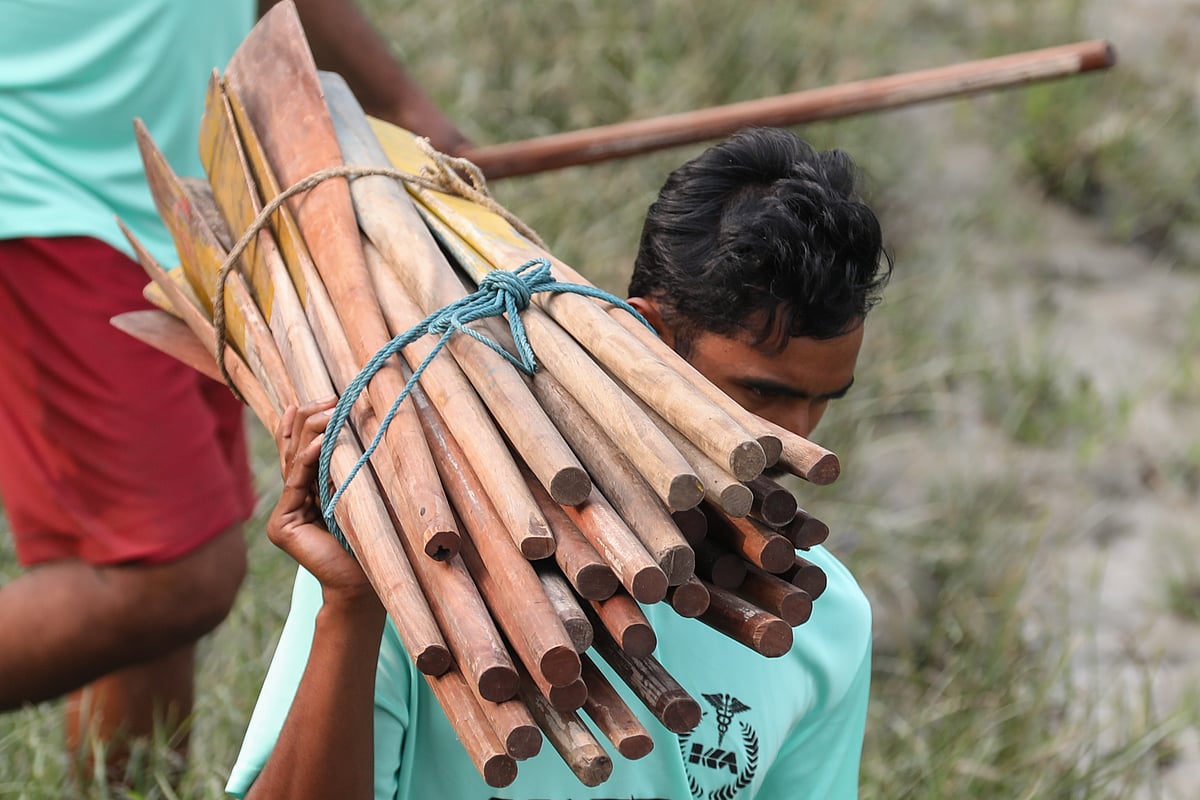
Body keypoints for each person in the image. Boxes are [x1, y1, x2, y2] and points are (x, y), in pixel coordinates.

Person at [226, 127, 893, 799]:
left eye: (821, 403)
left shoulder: (822, 620)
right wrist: (350, 606)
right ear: (643, 340)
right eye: (762, 395)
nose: (798, 442)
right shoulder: (424, 549)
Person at [0, 0, 468, 782]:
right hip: (44, 191)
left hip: (189, 197)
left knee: (156, 542)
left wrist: (410, 110)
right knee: (170, 574)